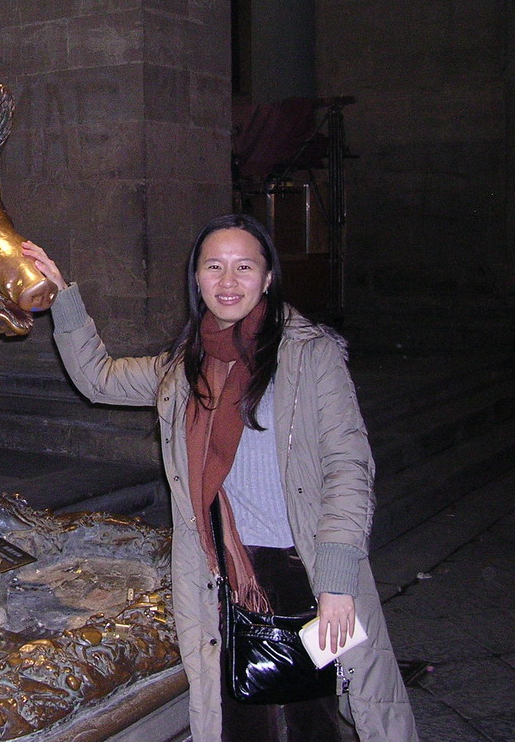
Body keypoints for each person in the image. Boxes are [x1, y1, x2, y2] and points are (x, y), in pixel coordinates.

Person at [22, 214, 417, 742]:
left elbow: (348, 466)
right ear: (198, 279)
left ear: (268, 277)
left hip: (299, 569)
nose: (228, 282)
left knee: (307, 719)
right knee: (239, 719)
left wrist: (339, 583)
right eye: (214, 267)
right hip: (219, 575)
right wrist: (62, 296)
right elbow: (99, 378)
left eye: (243, 267)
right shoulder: (185, 366)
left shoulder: (309, 356)